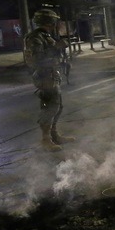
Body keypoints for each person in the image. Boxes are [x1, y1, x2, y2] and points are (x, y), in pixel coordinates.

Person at [23, 9, 76, 152]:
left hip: (51, 74)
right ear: (49, 22)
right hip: (44, 76)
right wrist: (56, 47)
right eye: (54, 21)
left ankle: (54, 135)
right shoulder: (35, 38)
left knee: (58, 106)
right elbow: (37, 59)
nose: (56, 24)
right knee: (50, 106)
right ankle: (46, 139)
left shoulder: (46, 36)